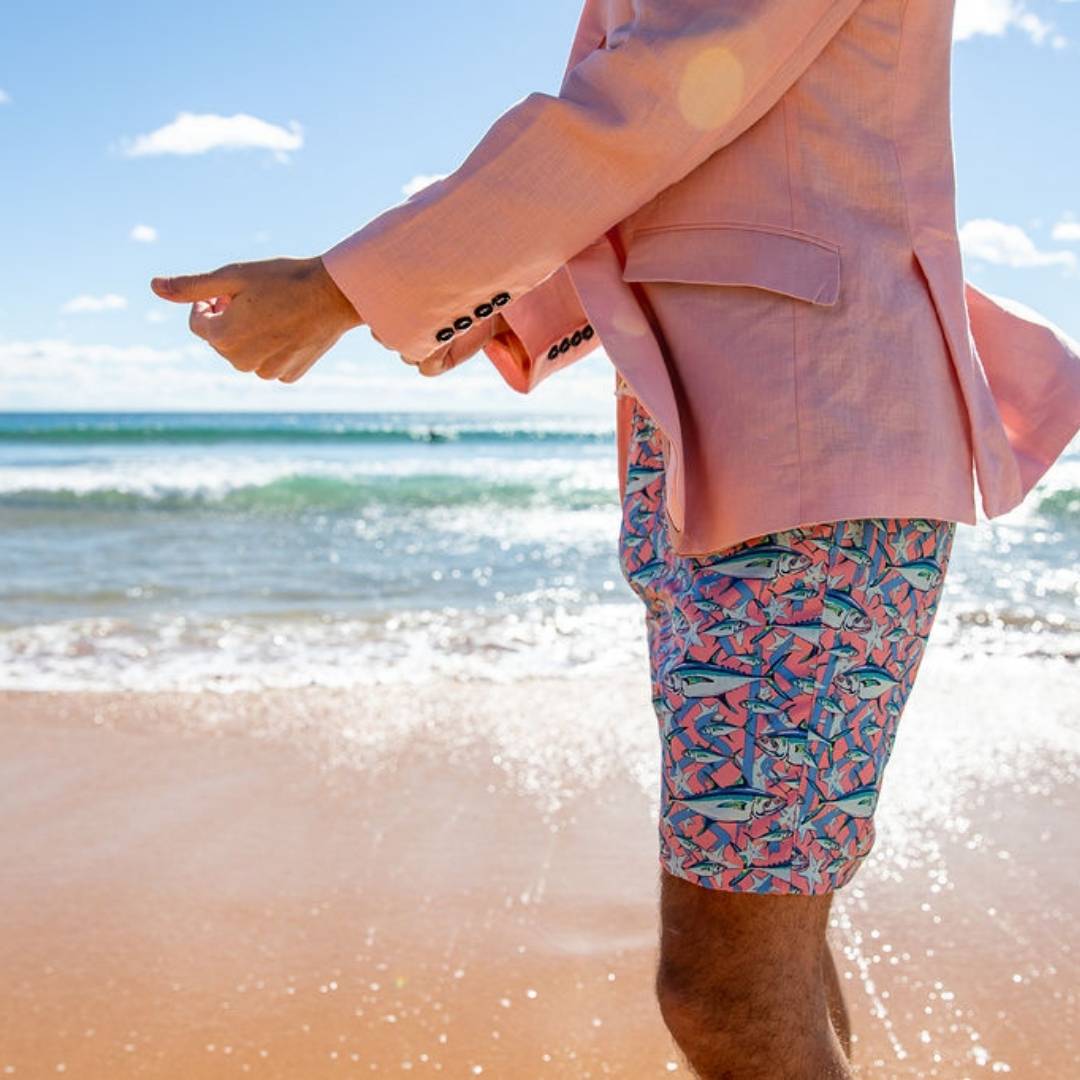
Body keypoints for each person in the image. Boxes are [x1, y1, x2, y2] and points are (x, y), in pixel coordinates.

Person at [149, 2, 1080, 1076]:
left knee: (727, 990)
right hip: (740, 450)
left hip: (815, 443)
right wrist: (503, 304)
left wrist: (344, 289)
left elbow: (660, 97)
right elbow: (699, 149)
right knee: (767, 949)